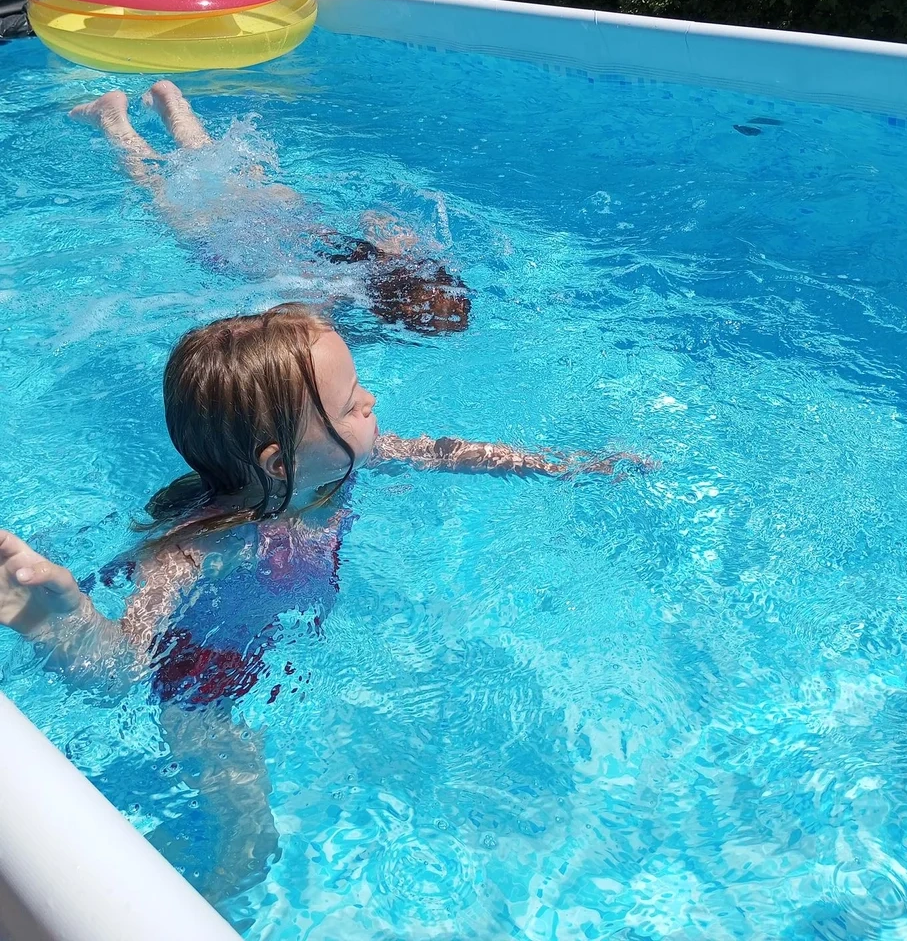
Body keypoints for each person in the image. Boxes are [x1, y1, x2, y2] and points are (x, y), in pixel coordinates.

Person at [0, 304, 652, 901]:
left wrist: (567, 466)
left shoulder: (330, 470)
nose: (370, 401)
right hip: (202, 687)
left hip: (261, 646)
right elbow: (127, 670)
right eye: (348, 404)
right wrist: (75, 628)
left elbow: (443, 454)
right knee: (251, 850)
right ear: (279, 462)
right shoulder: (198, 548)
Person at [70, 81, 471, 335]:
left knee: (212, 160)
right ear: (384, 314)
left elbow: (373, 218)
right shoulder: (328, 296)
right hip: (222, 236)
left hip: (283, 210)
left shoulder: (394, 252)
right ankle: (111, 118)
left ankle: (169, 100)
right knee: (152, 181)